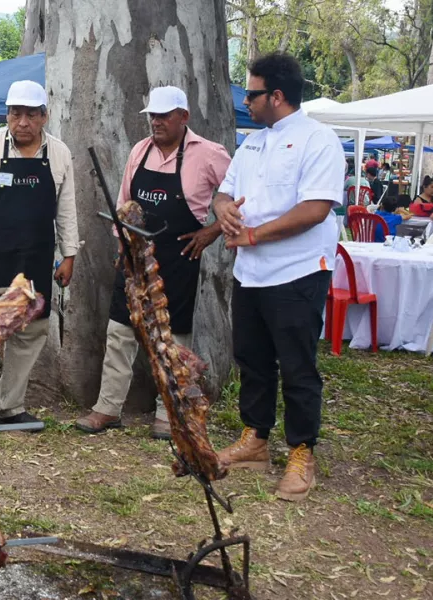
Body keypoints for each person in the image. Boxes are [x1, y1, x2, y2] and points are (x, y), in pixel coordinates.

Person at [213, 53, 344, 502]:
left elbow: (315, 209)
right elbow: (224, 191)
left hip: (297, 271)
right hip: (251, 273)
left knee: (297, 365)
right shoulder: (252, 143)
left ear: (277, 96)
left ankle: (302, 451)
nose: (246, 101)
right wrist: (224, 211)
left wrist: (252, 234)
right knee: (252, 358)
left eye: (252, 94)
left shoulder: (318, 140)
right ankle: (255, 438)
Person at [75, 86, 230, 438]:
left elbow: (241, 195)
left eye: (164, 116)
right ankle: (108, 408)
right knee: (120, 331)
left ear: (183, 117)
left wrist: (212, 231)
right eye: (153, 116)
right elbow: (124, 202)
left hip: (179, 257)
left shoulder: (209, 154)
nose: (156, 122)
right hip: (134, 255)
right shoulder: (140, 150)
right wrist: (121, 244)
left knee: (173, 338)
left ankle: (168, 411)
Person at [0, 80, 79, 444]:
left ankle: (12, 406)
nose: (22, 122)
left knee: (30, 331)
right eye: (15, 114)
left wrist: (69, 255)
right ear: (7, 115)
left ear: (44, 117)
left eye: (30, 115)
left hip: (35, 255)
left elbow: (66, 207)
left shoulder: (59, 154)